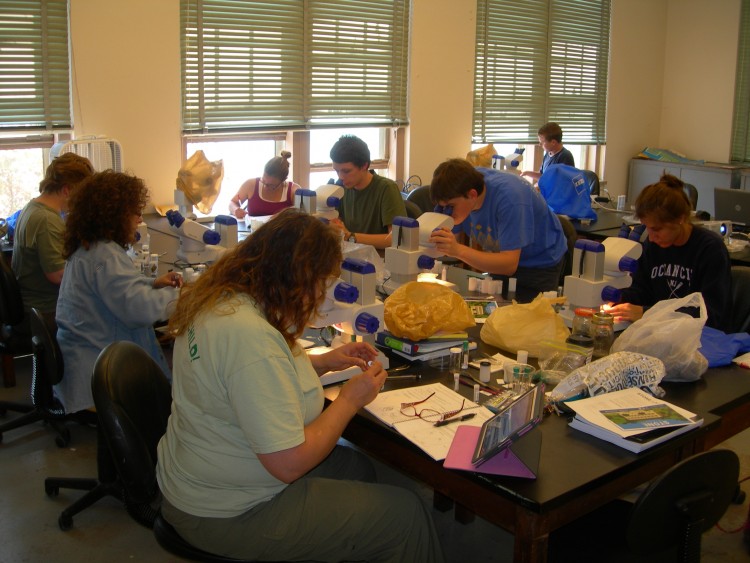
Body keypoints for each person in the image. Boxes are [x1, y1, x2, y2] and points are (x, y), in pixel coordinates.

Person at [156, 209, 444, 562]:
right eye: (321, 283)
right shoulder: (251, 338)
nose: (321, 296)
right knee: (405, 514)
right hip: (228, 512)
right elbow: (289, 463)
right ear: (297, 278)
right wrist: (348, 402)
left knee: (357, 468)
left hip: (199, 475)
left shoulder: (223, 301)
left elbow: (239, 379)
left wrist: (322, 362)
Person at [55, 171, 182, 415]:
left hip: (82, 357)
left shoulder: (88, 246)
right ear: (113, 215)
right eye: (134, 213)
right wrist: (186, 296)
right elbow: (140, 310)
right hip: (99, 370)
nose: (138, 219)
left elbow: (114, 289)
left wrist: (153, 283)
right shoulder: (105, 255)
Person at [429, 158, 568, 303]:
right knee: (495, 313)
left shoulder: (510, 198)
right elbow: (450, 242)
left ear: (472, 195)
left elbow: (508, 264)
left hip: (539, 263)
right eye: (442, 206)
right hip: (501, 257)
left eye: (450, 206)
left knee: (529, 320)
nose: (447, 211)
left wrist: (458, 250)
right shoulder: (461, 187)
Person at [606, 174, 732, 331]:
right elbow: (641, 291)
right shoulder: (654, 246)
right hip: (661, 331)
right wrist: (617, 298)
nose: (651, 238)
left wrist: (647, 313)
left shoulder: (710, 250)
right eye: (647, 228)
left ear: (680, 219)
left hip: (699, 339)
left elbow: (710, 314)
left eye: (657, 229)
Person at [11, 153, 94, 332]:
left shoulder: (32, 207)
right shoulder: (47, 220)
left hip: (31, 303)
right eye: (81, 194)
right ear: (67, 190)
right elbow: (58, 275)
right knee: (104, 320)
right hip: (45, 310)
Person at [328, 134, 406, 249]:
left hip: (380, 260)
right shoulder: (341, 189)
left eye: (346, 171)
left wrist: (350, 236)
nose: (340, 177)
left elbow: (395, 239)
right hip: (351, 256)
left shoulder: (386, 189)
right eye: (337, 171)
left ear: (364, 165)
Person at [228, 151, 301, 218]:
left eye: (271, 185)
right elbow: (232, 202)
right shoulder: (250, 185)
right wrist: (235, 210)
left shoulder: (293, 191)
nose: (265, 186)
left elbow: (303, 215)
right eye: (263, 181)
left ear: (283, 181)